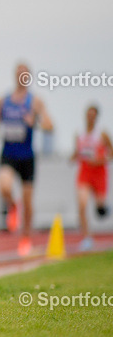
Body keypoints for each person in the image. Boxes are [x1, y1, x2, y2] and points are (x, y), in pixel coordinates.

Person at [0, 63, 54, 257]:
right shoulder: (4, 100)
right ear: (14, 76)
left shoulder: (35, 101)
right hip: (8, 153)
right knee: (4, 186)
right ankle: (12, 206)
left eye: (25, 74)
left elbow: (50, 125)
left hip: (27, 157)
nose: (21, 76)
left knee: (28, 202)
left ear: (29, 77)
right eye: (18, 73)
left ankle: (25, 239)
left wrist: (34, 122)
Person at [71, 104, 111, 252]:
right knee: (82, 205)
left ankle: (104, 208)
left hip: (99, 173)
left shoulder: (102, 134)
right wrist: (72, 158)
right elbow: (76, 153)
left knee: (100, 210)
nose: (90, 118)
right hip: (85, 173)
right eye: (88, 115)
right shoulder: (79, 134)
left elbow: (110, 154)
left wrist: (99, 160)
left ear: (96, 117)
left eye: (93, 115)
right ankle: (87, 237)